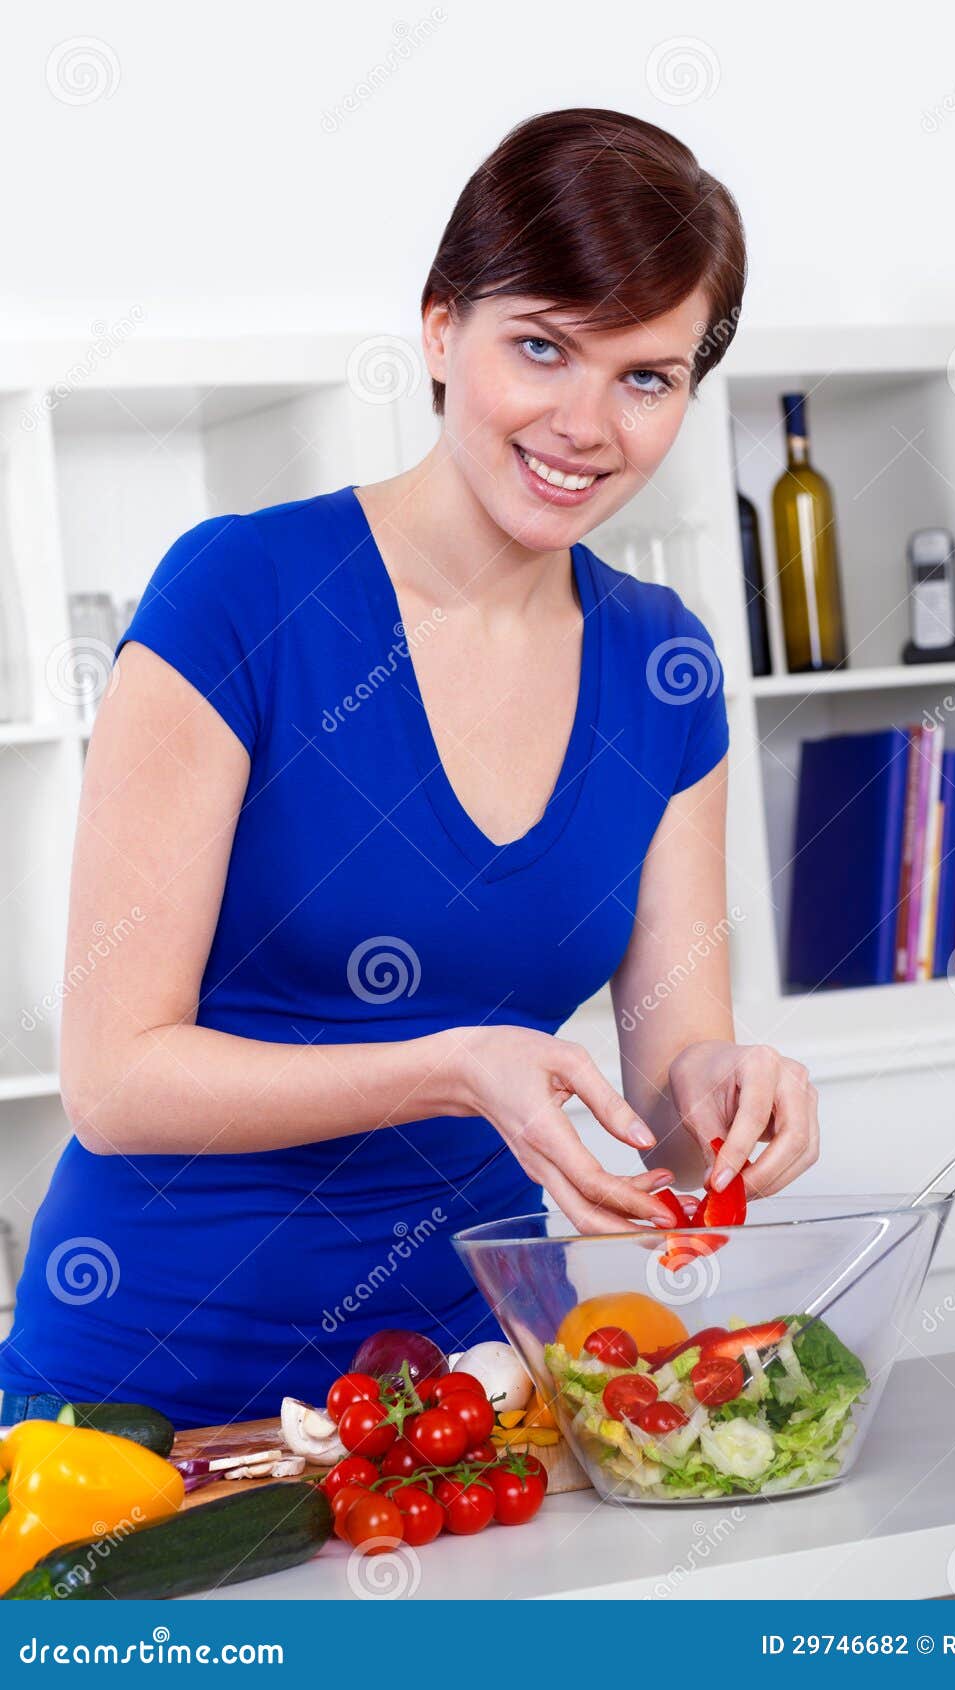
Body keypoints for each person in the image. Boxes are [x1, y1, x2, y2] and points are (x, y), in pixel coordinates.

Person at [0, 108, 818, 1431]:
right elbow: (115, 1076)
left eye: (648, 376)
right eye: (541, 346)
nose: (583, 422)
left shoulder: (667, 666)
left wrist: (728, 1101)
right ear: (442, 328)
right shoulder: (245, 594)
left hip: (459, 1390)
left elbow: (670, 1105)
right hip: (141, 1397)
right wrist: (452, 1065)